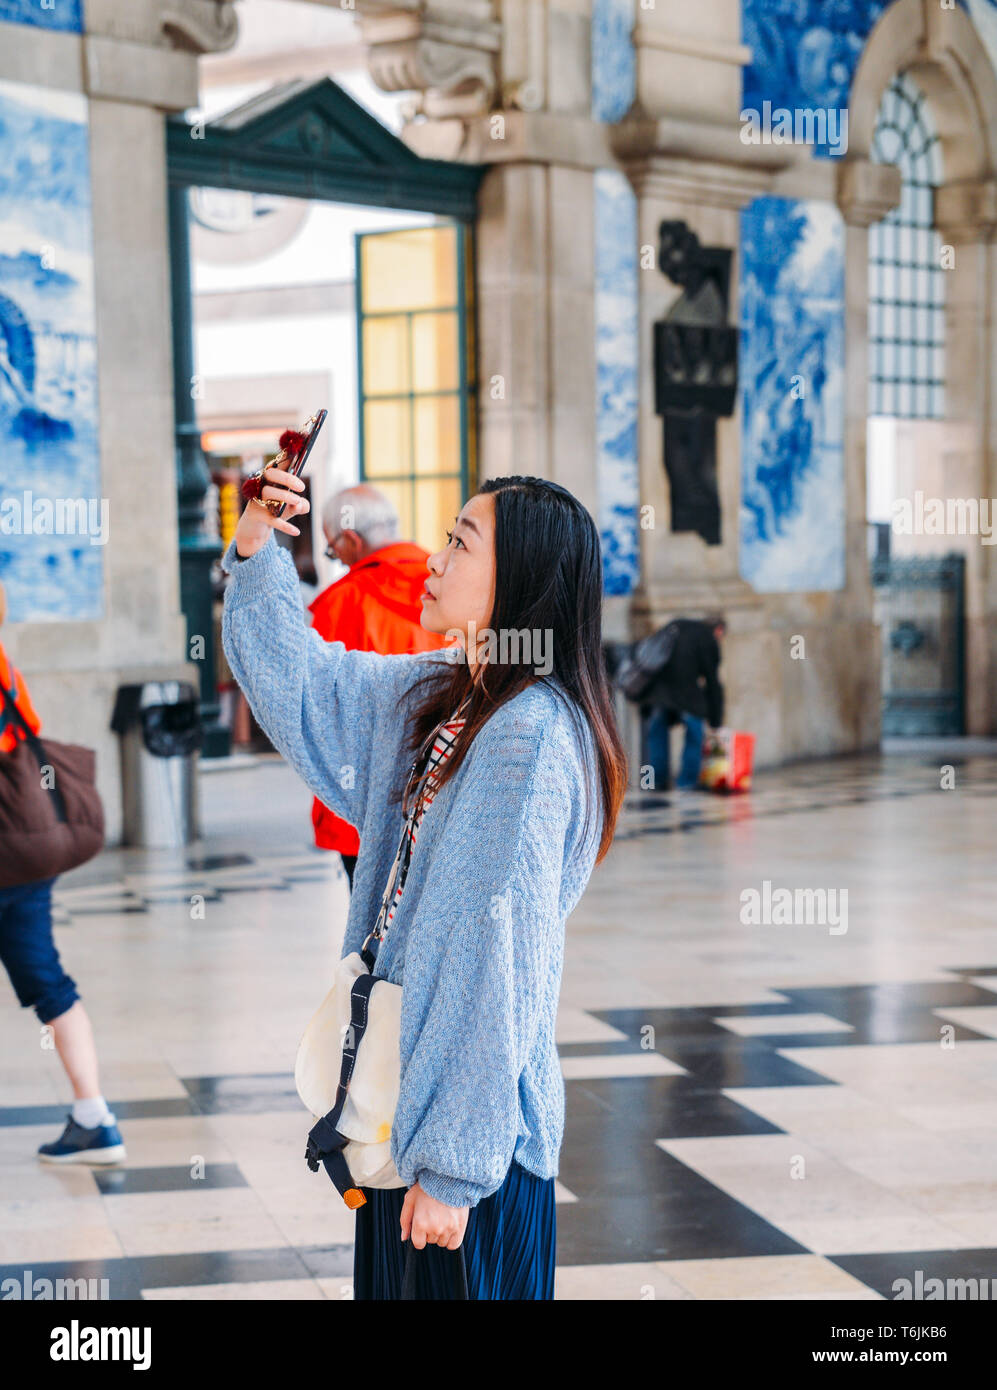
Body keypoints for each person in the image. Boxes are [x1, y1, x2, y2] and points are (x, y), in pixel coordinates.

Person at [221, 465, 628, 1301]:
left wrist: (453, 1167)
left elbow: (495, 963)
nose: (433, 558)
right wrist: (258, 544)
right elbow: (309, 684)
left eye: (459, 541)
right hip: (405, 1117)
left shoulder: (529, 738)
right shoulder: (449, 691)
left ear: (518, 580)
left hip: (462, 1156)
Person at [0, 582, 125, 1164]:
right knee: (48, 982)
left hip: (11, 851)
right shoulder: (6, 665)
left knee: (47, 982)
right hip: (26, 853)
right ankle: (94, 1117)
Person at [309, 485, 448, 891]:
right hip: (446, 793)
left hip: (363, 809)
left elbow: (319, 720)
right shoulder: (453, 588)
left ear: (351, 539)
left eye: (333, 550)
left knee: (371, 930)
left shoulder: (337, 607)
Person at [642, 616, 726, 790]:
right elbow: (712, 681)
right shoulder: (707, 638)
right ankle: (686, 782)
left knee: (657, 734)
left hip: (659, 692)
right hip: (687, 693)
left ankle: (655, 782)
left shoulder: (674, 626)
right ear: (719, 630)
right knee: (694, 733)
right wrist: (716, 721)